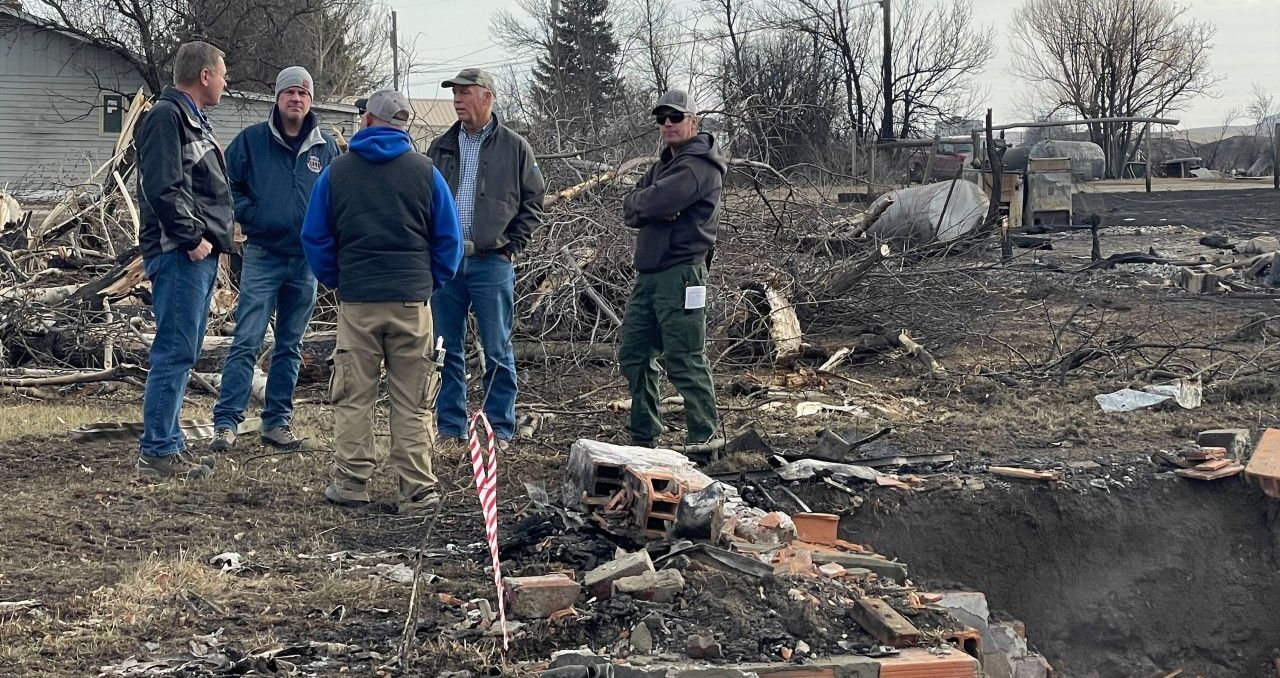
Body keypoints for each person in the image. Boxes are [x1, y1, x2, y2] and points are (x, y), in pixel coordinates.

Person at [301, 89, 463, 513]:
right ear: (402, 126)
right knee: (414, 397)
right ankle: (416, 490)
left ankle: (352, 483)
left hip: (358, 301)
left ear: (368, 121)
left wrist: (336, 278)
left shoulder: (337, 173)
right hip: (412, 301)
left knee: (355, 395)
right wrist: (430, 283)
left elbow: (315, 236)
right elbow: (449, 239)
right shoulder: (426, 172)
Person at [210, 67, 340, 453]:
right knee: (246, 339)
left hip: (305, 261)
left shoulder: (326, 148)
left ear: (310, 100)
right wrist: (254, 212)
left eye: (303, 92)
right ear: (277, 98)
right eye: (289, 93)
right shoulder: (252, 141)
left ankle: (277, 421)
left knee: (290, 345)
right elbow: (224, 185)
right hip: (263, 256)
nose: (296, 99)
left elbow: (335, 198)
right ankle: (226, 422)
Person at [426, 68, 545, 447]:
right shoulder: (441, 147)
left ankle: (499, 429)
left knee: (496, 348)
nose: (457, 99)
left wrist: (512, 245)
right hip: (447, 263)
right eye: (455, 93)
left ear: (487, 97)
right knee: (447, 348)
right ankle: (450, 428)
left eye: (465, 92)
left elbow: (534, 201)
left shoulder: (515, 147)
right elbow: (425, 200)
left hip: (492, 261)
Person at [133, 41, 233, 478]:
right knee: (174, 351)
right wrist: (192, 238)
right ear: (205, 75)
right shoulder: (166, 117)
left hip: (195, 253)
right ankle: (156, 452)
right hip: (179, 253)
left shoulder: (192, 119)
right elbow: (163, 187)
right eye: (223, 73)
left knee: (184, 349)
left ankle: (168, 443)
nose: (226, 82)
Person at [618, 89, 727, 451]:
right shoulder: (664, 164)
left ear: (693, 122)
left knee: (684, 358)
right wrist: (650, 205)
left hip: (682, 275)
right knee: (634, 353)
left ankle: (705, 441)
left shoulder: (699, 165)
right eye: (662, 118)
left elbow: (655, 199)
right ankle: (644, 436)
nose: (667, 124)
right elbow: (632, 206)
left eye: (676, 117)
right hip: (648, 275)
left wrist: (653, 203)